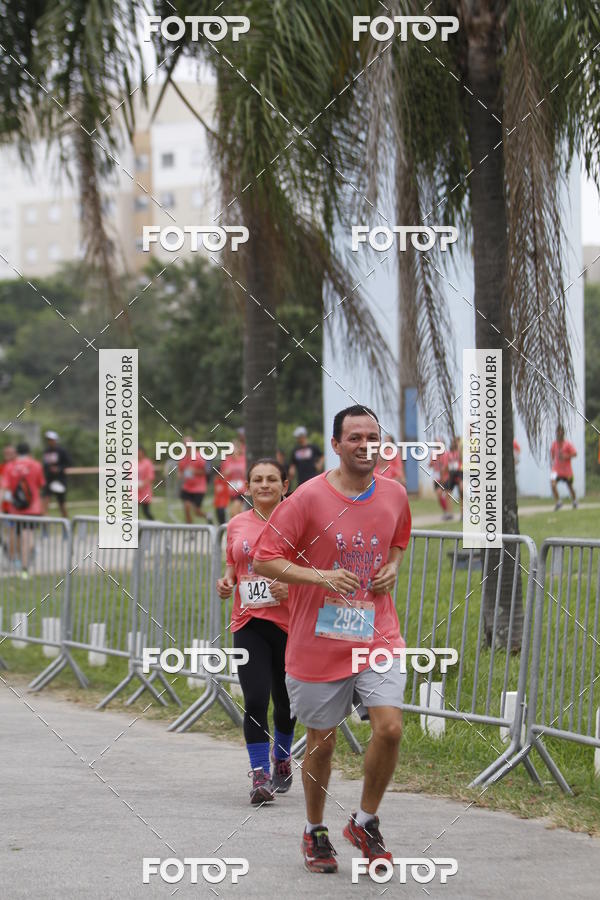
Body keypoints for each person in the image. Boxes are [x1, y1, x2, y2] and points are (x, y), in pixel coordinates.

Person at [254, 405, 411, 874]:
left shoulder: (395, 493)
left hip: (375, 632)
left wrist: (393, 567)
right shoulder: (306, 498)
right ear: (336, 445)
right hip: (317, 641)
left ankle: (364, 820)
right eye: (355, 437)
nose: (366, 445)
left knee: (390, 728)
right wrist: (320, 576)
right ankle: (314, 829)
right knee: (321, 743)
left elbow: (399, 536)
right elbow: (265, 558)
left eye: (373, 437)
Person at [216, 458, 296, 804]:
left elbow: (314, 572)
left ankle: (282, 757)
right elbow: (234, 566)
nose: (264, 485)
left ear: (285, 486)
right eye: (257, 480)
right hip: (248, 622)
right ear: (247, 486)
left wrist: (291, 589)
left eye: (272, 479)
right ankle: (260, 774)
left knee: (286, 700)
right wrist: (226, 582)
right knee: (255, 698)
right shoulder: (236, 524)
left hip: (290, 623)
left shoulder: (299, 524)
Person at [4, 442, 45, 578]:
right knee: (28, 537)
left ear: (17, 452)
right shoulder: (36, 465)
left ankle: (19, 561)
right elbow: (40, 484)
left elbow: (4, 488)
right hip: (33, 508)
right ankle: (25, 569)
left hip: (15, 509)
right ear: (29, 452)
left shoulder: (10, 466)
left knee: (16, 536)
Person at [178, 435, 209, 523]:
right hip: (187, 487)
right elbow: (180, 471)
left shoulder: (199, 457)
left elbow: (206, 471)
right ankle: (190, 530)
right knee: (187, 507)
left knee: (197, 512)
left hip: (199, 488)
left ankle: (207, 516)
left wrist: (194, 471)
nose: (187, 446)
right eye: (185, 444)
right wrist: (180, 475)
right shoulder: (182, 458)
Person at [41, 430, 71, 518]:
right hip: (49, 480)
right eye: (48, 439)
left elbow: (69, 463)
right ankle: (45, 525)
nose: (50, 441)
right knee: (45, 501)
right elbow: (45, 464)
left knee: (61, 504)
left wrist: (59, 468)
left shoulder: (61, 451)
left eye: (51, 439)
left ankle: (66, 523)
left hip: (60, 480)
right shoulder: (46, 451)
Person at [550, 424, 578, 510]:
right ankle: (558, 502)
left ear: (563, 433)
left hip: (566, 470)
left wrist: (566, 456)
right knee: (553, 484)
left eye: (560, 431)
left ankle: (574, 501)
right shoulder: (554, 444)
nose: (559, 433)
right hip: (556, 469)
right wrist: (552, 467)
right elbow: (552, 456)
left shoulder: (567, 444)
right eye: (557, 431)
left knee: (570, 486)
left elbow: (575, 454)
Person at [221, 441, 247, 518]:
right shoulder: (226, 460)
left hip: (242, 490)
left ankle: (235, 528)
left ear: (239, 449)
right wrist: (225, 473)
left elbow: (250, 473)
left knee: (233, 512)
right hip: (231, 490)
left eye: (234, 448)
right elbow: (222, 476)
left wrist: (244, 473)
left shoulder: (244, 459)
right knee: (238, 514)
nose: (232, 450)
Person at [429, 439, 452, 520]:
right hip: (436, 477)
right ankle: (445, 512)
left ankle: (449, 513)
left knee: (446, 496)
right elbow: (430, 464)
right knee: (439, 495)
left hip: (445, 477)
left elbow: (446, 467)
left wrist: (443, 477)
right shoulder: (433, 454)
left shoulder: (445, 454)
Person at [137, 447, 155, 521]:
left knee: (146, 512)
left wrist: (142, 484)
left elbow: (150, 476)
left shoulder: (147, 463)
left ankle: (154, 526)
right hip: (135, 492)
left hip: (145, 491)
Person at [445, 436, 463, 507]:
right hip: (451, 474)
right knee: (447, 493)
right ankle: (449, 513)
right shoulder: (448, 453)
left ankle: (463, 513)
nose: (454, 443)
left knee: (461, 494)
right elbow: (446, 465)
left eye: (455, 442)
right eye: (453, 442)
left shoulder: (460, 453)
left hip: (458, 473)